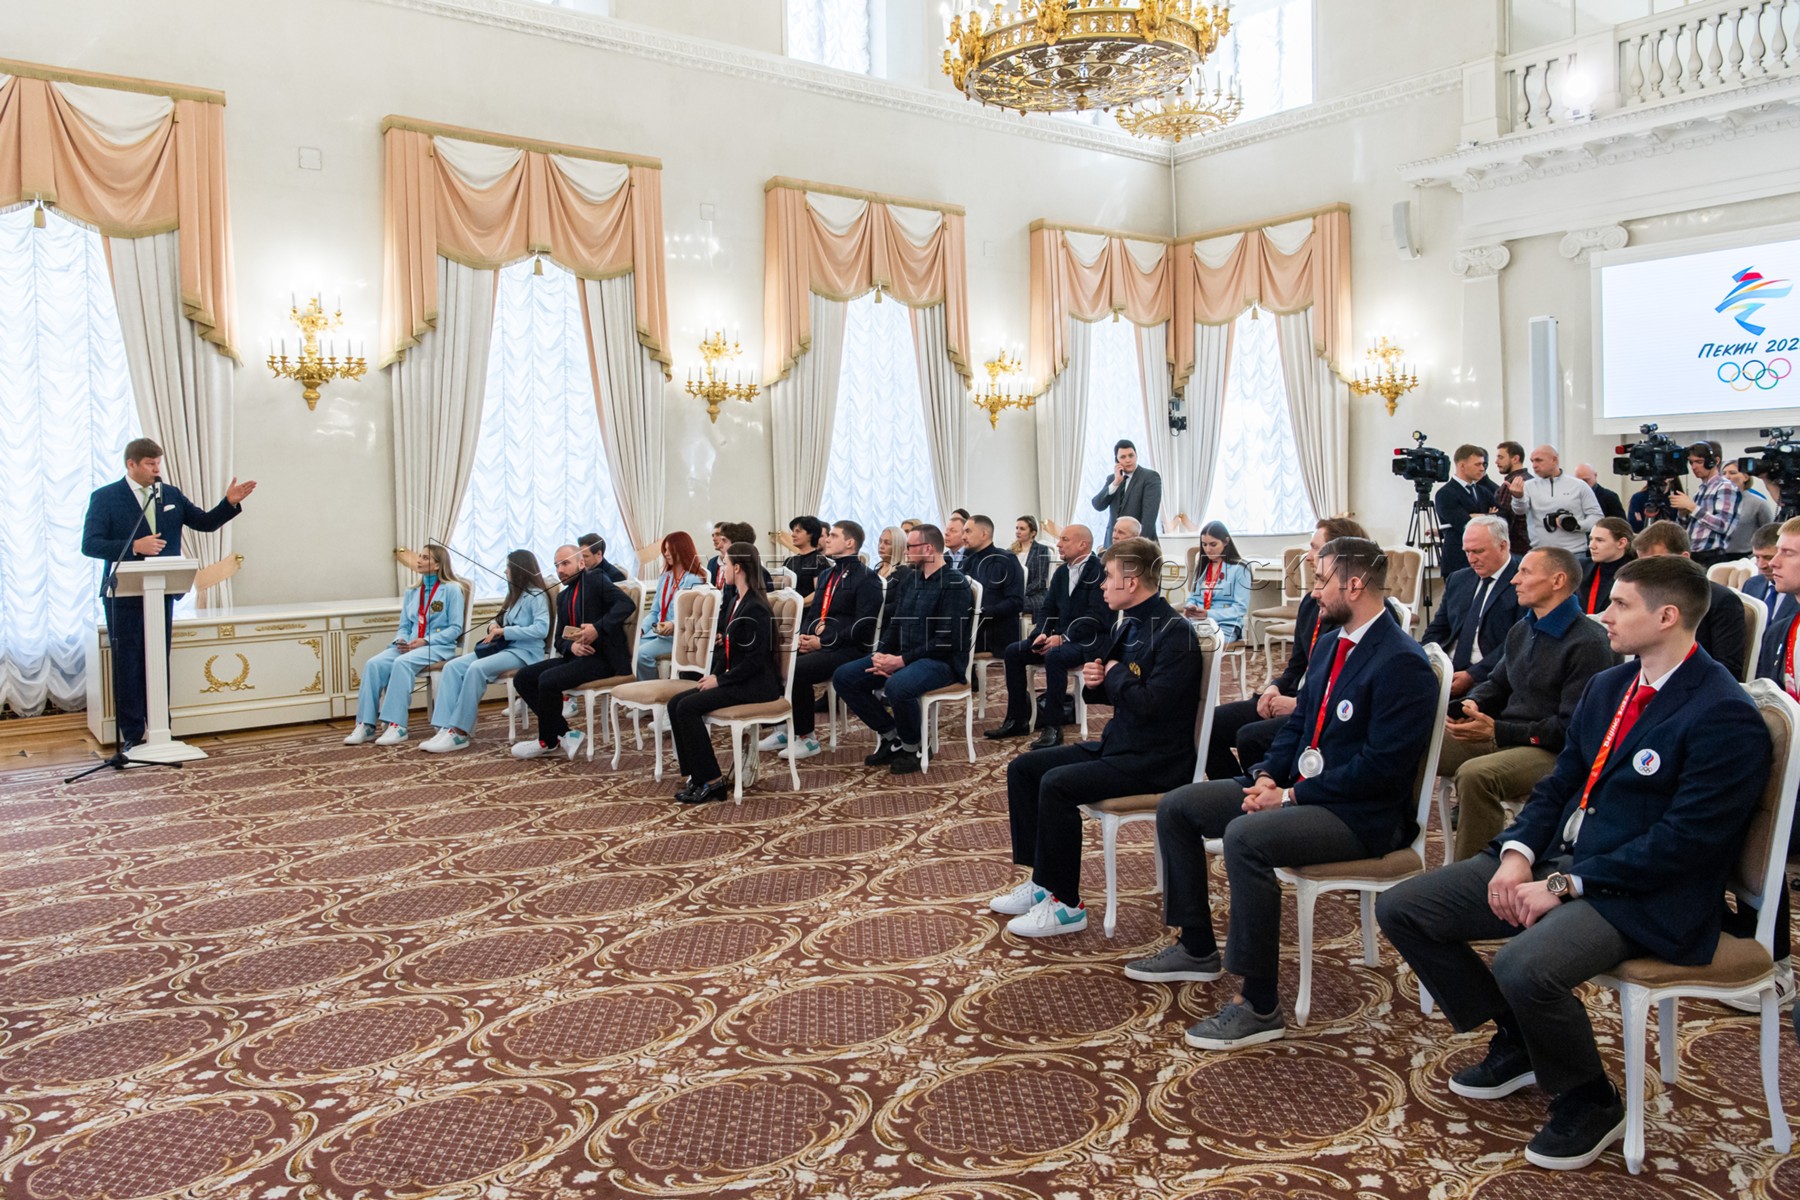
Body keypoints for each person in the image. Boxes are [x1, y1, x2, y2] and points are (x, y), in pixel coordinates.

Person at [1377, 555, 1770, 1172]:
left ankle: (1590, 1098)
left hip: (1648, 893)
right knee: (1406, 906)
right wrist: (1517, 854)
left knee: (1525, 964)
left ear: (1667, 617)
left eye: (1620, 604)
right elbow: (1559, 785)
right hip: (1568, 860)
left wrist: (1565, 884)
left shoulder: (1723, 712)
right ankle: (1520, 1037)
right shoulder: (1612, 686)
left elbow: (1685, 844)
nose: (1603, 614)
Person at [1129, 536, 1439, 1048]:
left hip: (1362, 815)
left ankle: (1259, 1004)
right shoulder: (1331, 645)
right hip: (1306, 789)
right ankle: (1197, 945)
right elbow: (1297, 728)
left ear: (1354, 584)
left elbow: (1382, 771)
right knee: (1180, 806)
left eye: (1321, 580)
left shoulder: (1401, 662)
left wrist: (1291, 798)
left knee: (1246, 837)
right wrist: (1268, 776)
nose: (1313, 591)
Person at [992, 536, 1204, 937]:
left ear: (1132, 581)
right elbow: (1116, 688)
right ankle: (1042, 883)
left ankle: (1067, 905)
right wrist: (1097, 682)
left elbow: (1152, 704)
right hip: (1121, 746)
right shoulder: (1131, 624)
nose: (1103, 584)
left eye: (1108, 576)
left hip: (1155, 761)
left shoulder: (1174, 632)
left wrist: (1114, 674)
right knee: (1024, 769)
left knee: (1056, 785)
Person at [1438, 546, 1619, 862]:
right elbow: (1497, 684)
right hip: (1508, 735)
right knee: (1419, 742)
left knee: (1476, 775)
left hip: (1553, 751)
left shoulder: (1589, 642)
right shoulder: (1524, 628)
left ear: (1557, 581)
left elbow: (1571, 729)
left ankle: (1473, 873)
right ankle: (1398, 837)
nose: (1514, 580)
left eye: (1525, 572)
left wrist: (1498, 731)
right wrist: (1470, 705)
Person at [82, 437, 256, 749]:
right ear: (131, 464)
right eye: (150, 464)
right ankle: (132, 735)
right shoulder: (106, 497)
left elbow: (204, 523)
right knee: (129, 663)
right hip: (124, 596)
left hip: (161, 592)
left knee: (157, 661)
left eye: (158, 463)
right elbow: (90, 544)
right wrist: (135, 547)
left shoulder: (170, 494)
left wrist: (228, 503)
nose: (156, 469)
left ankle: (161, 730)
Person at [1204, 517, 1369, 782]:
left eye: (1315, 548)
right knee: (1207, 724)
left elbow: (1346, 687)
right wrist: (1274, 688)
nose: (1308, 556)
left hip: (1317, 708)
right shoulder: (1311, 604)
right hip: (1292, 695)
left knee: (1250, 737)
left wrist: (1297, 705)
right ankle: (1236, 789)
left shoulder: (1352, 614)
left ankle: (1261, 793)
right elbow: (1296, 666)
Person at [831, 524, 974, 775]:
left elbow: (947, 640)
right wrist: (881, 654)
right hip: (906, 656)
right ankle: (892, 735)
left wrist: (900, 661)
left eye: (910, 546)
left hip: (942, 662)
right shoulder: (911, 579)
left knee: (898, 685)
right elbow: (896, 623)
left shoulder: (955, 584)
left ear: (928, 549)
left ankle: (914, 746)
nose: (905, 551)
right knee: (844, 676)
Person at [666, 542, 783, 804]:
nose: (723, 569)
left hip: (756, 684)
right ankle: (697, 775)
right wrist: (714, 676)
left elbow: (755, 661)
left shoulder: (756, 607)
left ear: (737, 568)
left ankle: (713, 781)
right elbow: (728, 651)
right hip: (739, 677)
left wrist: (720, 680)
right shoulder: (735, 601)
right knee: (675, 703)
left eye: (726, 564)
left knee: (687, 708)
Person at [759, 520, 882, 761]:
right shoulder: (827, 574)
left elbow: (863, 626)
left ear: (850, 543)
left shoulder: (867, 578)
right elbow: (814, 612)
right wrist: (804, 636)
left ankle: (807, 738)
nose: (826, 539)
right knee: (773, 659)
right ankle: (783, 729)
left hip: (849, 649)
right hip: (821, 643)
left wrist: (823, 642)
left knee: (796, 669)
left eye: (833, 536)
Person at [985, 523, 1109, 750]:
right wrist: (1041, 633)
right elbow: (1048, 608)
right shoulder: (1061, 572)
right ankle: (1017, 719)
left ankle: (1053, 727)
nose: (1058, 544)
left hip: (1090, 640)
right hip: (1060, 638)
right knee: (1014, 651)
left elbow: (1097, 617)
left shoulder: (1100, 571)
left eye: (1064, 540)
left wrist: (1064, 638)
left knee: (1055, 656)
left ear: (1083, 544)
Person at [419, 550, 553, 753]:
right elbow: (500, 619)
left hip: (524, 652)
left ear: (519, 569)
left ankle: (460, 732)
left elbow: (541, 629)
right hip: (505, 648)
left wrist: (504, 631)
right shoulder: (514, 593)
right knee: (452, 667)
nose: (505, 571)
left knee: (476, 668)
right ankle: (445, 727)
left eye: (508, 567)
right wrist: (493, 626)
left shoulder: (537, 595)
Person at [509, 548, 637, 759]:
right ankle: (566, 733)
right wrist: (572, 647)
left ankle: (548, 741)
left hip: (604, 659)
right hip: (575, 657)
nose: (560, 570)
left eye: (565, 563)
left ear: (581, 564)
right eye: (557, 565)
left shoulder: (595, 579)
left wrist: (597, 628)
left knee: (548, 680)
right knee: (523, 678)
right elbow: (559, 640)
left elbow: (626, 604)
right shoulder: (563, 596)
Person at [345, 544, 467, 746]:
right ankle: (365, 725)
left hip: (436, 647)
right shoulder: (412, 591)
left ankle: (397, 726)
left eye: (425, 558)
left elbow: (455, 628)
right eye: (420, 556)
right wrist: (401, 640)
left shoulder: (452, 589)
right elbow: (404, 626)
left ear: (438, 565)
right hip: (409, 645)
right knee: (373, 664)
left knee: (402, 663)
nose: (419, 560)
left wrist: (426, 640)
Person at [1419, 515, 1524, 698]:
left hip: (1490, 677)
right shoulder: (1459, 579)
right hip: (1446, 667)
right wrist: (1421, 659)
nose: (1471, 559)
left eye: (1478, 551)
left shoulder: (1523, 581)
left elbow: (1517, 645)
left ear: (1503, 546)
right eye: (1467, 551)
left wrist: (1472, 675)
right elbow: (1438, 630)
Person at [1632, 521, 1748, 678]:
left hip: (1700, 685)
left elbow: (1727, 668)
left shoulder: (1722, 601)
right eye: (1642, 564)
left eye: (1656, 561)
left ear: (1684, 558)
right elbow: (1642, 658)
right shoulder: (1647, 597)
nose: (1647, 571)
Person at [635, 533, 707, 681]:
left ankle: (651, 689)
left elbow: (693, 616)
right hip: (658, 633)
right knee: (631, 648)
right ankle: (645, 686)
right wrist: (641, 629)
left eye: (669, 550)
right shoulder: (665, 577)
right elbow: (655, 611)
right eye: (665, 550)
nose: (666, 554)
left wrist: (674, 624)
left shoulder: (693, 579)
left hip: (679, 636)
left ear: (682, 550)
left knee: (642, 654)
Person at [1514, 445, 1601, 556]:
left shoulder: (1579, 485)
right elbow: (1519, 511)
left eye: (1539, 460)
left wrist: (1576, 525)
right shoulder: (1528, 486)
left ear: (1554, 460)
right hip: (1541, 553)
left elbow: (1597, 517)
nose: (1534, 465)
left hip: (1574, 552)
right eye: (1532, 461)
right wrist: (1518, 497)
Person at [961, 514, 1026, 656]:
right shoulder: (968, 561)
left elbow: (1016, 602)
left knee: (947, 645)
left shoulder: (1007, 560)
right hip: (973, 627)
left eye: (968, 531)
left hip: (996, 632)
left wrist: (981, 613)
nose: (963, 537)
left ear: (984, 534)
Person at [1668, 440, 1740, 567]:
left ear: (1715, 461)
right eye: (1691, 462)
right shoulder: (1701, 490)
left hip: (1712, 556)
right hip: (1694, 554)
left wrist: (1692, 507)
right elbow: (1686, 528)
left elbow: (1723, 525)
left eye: (1699, 462)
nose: (1693, 467)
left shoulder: (1725, 487)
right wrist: (1683, 513)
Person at [1182, 521, 1252, 644]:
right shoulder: (1202, 565)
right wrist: (1190, 607)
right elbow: (1193, 597)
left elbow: (1240, 608)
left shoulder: (1240, 568)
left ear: (1226, 541)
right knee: (1171, 638)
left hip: (1226, 624)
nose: (1208, 549)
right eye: (1204, 544)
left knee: (1197, 643)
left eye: (1213, 544)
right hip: (1198, 622)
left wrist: (1208, 614)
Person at [1435, 445, 1498, 578]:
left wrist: (1478, 517)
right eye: (1477, 464)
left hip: (1485, 561)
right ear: (1462, 466)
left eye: (1483, 464)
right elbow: (1464, 524)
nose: (1482, 468)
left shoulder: (1483, 491)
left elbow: (1502, 517)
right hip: (1458, 560)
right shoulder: (1445, 493)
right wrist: (1489, 517)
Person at [1091, 439, 1162, 546]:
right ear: (1117, 460)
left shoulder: (1150, 477)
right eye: (1123, 457)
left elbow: (1149, 518)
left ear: (1136, 456)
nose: (1128, 460)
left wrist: (1138, 545)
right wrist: (1115, 483)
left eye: (1131, 455)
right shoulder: (1113, 479)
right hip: (1112, 543)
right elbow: (1098, 505)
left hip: (1139, 543)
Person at [1578, 517, 1634, 614]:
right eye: (1591, 539)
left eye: (1599, 540)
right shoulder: (1582, 567)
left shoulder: (1635, 574)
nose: (1591, 545)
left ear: (1621, 543)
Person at [1724, 459, 1777, 556]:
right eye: (1724, 473)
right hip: (1716, 556)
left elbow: (1768, 533)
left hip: (1745, 556)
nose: (1727, 477)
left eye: (1732, 473)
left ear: (1745, 477)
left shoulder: (1758, 503)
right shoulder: (1715, 501)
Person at [1744, 521, 1790, 626]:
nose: (1761, 565)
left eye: (1768, 557)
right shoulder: (1751, 585)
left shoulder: (1796, 591)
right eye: (1757, 557)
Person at [1493, 440, 1533, 556]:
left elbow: (1503, 516)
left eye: (1501, 457)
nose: (1496, 462)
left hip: (1517, 547)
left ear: (1515, 459)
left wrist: (1491, 515)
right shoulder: (1531, 480)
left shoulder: (1514, 483)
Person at [1012, 516, 1052, 627]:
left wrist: (1021, 592)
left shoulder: (1041, 550)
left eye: (1022, 529)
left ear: (1033, 533)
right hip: (1015, 592)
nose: (1018, 531)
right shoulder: (1010, 551)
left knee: (1013, 604)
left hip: (1035, 593)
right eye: (1017, 528)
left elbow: (1040, 580)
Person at [782, 515, 828, 597]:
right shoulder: (790, 560)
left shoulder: (819, 561)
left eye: (798, 531)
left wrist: (798, 603)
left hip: (805, 604)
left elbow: (819, 593)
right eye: (793, 531)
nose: (793, 535)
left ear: (811, 535)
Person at [706, 521, 756, 587]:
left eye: (718, 535)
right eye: (713, 535)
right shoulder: (712, 562)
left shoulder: (744, 566)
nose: (714, 539)